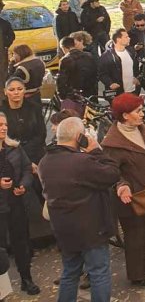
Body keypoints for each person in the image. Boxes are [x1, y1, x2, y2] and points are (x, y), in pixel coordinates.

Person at [39, 117, 120, 302]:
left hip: (64, 228)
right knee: (99, 273)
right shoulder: (81, 161)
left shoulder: (45, 162)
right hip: (91, 229)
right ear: (79, 137)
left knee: (70, 273)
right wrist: (97, 151)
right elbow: (112, 173)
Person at [101, 93, 145, 287]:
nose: (141, 113)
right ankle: (138, 276)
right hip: (131, 198)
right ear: (124, 115)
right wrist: (122, 186)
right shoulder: (112, 143)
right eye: (137, 111)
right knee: (135, 238)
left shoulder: (143, 130)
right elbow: (111, 172)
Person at [0, 111, 38, 295]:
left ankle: (26, 279)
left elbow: (26, 168)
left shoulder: (15, 148)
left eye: (5, 124)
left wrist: (24, 185)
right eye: (0, 125)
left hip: (16, 203)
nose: (4, 127)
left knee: (21, 242)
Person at [2, 77, 47, 165]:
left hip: (35, 154)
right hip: (10, 155)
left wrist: (25, 154)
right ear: (5, 91)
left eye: (20, 89)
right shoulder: (2, 111)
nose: (16, 92)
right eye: (11, 89)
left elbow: (41, 134)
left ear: (24, 91)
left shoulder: (35, 108)